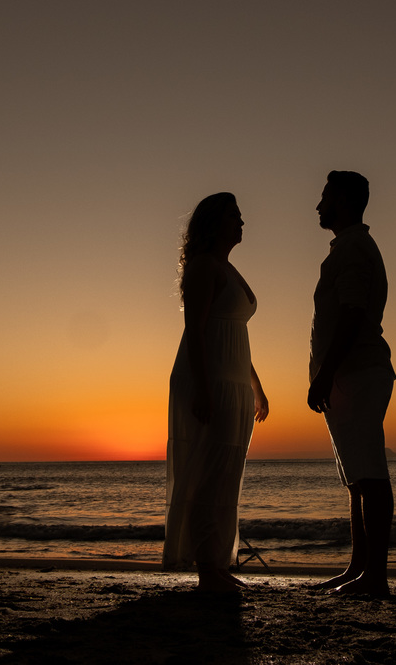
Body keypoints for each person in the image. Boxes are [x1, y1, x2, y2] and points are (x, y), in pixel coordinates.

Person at [164, 192, 269, 592]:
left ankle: (219, 564)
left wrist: (256, 386)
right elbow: (196, 332)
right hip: (209, 380)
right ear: (213, 222)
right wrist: (204, 390)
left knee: (227, 474)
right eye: (233, 215)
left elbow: (233, 334)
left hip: (234, 381)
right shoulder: (204, 267)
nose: (241, 221)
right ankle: (208, 569)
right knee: (208, 474)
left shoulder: (228, 267)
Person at [307, 171, 396, 596]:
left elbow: (353, 313)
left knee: (370, 475)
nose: (318, 206)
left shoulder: (353, 248)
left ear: (342, 200)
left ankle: (375, 577)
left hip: (356, 373)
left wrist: (325, 374)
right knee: (357, 478)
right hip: (349, 374)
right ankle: (359, 568)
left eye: (325, 197)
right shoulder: (347, 246)